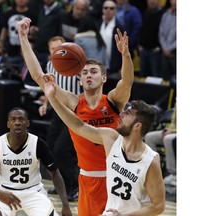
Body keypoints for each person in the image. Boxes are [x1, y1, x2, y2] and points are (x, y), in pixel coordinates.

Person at [18, 17, 134, 215]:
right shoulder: (74, 103)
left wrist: (126, 55)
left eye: (94, 72)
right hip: (87, 177)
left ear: (104, 78)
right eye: (85, 72)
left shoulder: (113, 101)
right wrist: (23, 38)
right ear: (80, 80)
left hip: (116, 177)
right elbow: (39, 78)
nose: (89, 75)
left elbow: (127, 81)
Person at [43, 78, 166, 215]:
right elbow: (78, 125)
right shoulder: (111, 139)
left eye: (128, 113)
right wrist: (52, 98)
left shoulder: (150, 161)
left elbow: (158, 205)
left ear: (137, 126)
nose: (122, 114)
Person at [0, 107, 72, 216]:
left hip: (33, 192)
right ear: (8, 124)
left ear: (28, 123)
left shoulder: (38, 143)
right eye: (13, 120)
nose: (17, 123)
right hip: (5, 192)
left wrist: (65, 205)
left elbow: (55, 173)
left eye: (21, 119)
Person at [38, 36, 81, 201]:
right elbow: (49, 86)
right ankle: (63, 186)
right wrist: (45, 104)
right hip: (57, 110)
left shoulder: (75, 63)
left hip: (73, 112)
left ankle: (75, 186)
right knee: (49, 147)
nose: (56, 52)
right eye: (52, 49)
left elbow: (88, 87)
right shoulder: (50, 65)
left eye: (59, 48)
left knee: (61, 149)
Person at [144, 103, 176, 186]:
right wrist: (170, 128)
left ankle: (172, 173)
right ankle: (153, 168)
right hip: (173, 130)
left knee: (168, 139)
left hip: (175, 132)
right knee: (149, 137)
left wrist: (174, 130)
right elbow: (173, 121)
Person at [138, 0, 164, 78]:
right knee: (142, 77)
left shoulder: (163, 14)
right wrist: (139, 45)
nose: (152, 1)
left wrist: (159, 47)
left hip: (155, 51)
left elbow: (164, 32)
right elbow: (140, 29)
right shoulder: (145, 13)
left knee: (156, 77)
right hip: (143, 50)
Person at [98, 0, 124, 75]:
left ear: (115, 11)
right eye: (105, 8)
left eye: (111, 8)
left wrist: (121, 67)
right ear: (102, 9)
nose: (108, 10)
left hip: (114, 68)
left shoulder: (120, 27)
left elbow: (124, 49)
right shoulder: (97, 24)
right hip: (99, 66)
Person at [158, 0, 176, 81]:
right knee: (164, 79)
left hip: (175, 53)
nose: (174, 2)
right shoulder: (165, 15)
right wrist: (165, 48)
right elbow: (161, 33)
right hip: (164, 52)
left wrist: (170, 48)